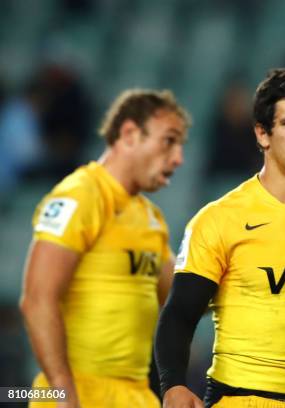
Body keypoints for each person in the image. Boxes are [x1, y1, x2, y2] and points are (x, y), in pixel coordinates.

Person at [155, 68, 285, 408]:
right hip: (240, 400)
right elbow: (180, 312)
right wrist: (174, 385)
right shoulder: (220, 219)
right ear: (262, 135)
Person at [20, 89, 190, 408]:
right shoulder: (80, 196)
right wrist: (61, 390)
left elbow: (181, 296)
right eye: (169, 140)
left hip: (135, 397)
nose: (178, 157)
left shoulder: (149, 217)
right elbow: (38, 298)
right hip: (77, 392)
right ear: (129, 134)